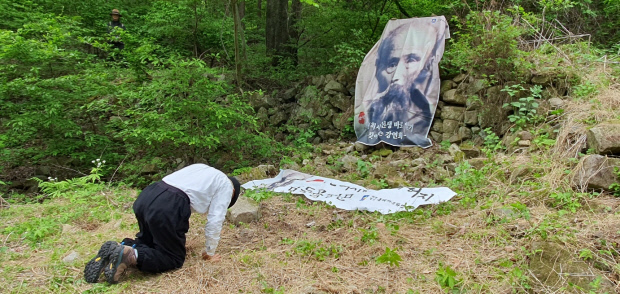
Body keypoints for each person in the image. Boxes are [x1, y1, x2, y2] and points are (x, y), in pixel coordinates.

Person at [83, 163, 241, 284]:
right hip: (169, 205)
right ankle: (129, 255)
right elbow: (215, 219)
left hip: (149, 194)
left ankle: (121, 247)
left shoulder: (203, 169)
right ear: (233, 193)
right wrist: (209, 252)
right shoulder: (227, 186)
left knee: (150, 241)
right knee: (173, 258)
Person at [359, 20, 446, 147]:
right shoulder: (372, 108)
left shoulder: (422, 110)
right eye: (392, 64)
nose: (397, 76)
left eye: (411, 60)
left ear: (428, 65)